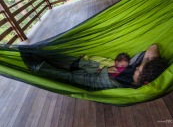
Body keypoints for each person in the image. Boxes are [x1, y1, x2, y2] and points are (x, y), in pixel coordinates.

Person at [21, 44, 167, 91]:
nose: (136, 69)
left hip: (97, 80)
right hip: (98, 67)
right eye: (138, 68)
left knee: (65, 75)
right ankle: (35, 53)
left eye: (138, 72)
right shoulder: (142, 69)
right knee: (69, 60)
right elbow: (153, 47)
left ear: (145, 82)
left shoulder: (136, 87)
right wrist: (144, 66)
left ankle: (34, 66)